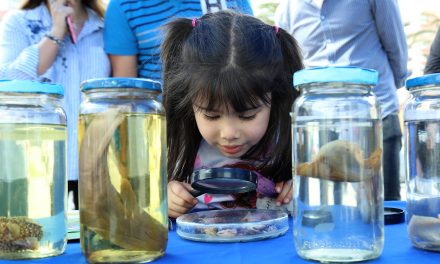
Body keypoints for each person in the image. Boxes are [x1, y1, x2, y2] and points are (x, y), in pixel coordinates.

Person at [161, 10, 304, 218]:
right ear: (189, 104)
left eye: (247, 116)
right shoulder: (178, 148)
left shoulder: (293, 144)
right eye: (212, 116)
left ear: (275, 100)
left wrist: (299, 187)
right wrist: (166, 198)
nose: (229, 133)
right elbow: (144, 207)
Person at [275, 0, 409, 201]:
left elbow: (395, 44)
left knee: (385, 200)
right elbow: (289, 64)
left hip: (375, 110)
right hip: (321, 120)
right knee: (329, 203)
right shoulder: (287, 9)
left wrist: (395, 86)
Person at [0, 0, 111, 209]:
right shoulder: (19, 22)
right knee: (38, 236)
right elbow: (10, 82)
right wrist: (56, 31)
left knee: (95, 236)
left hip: (96, 159)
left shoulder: (104, 25)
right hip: (36, 158)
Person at [103, 0, 253, 80]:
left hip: (226, 112)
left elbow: (250, 62)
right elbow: (128, 90)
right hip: (162, 124)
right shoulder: (122, 6)